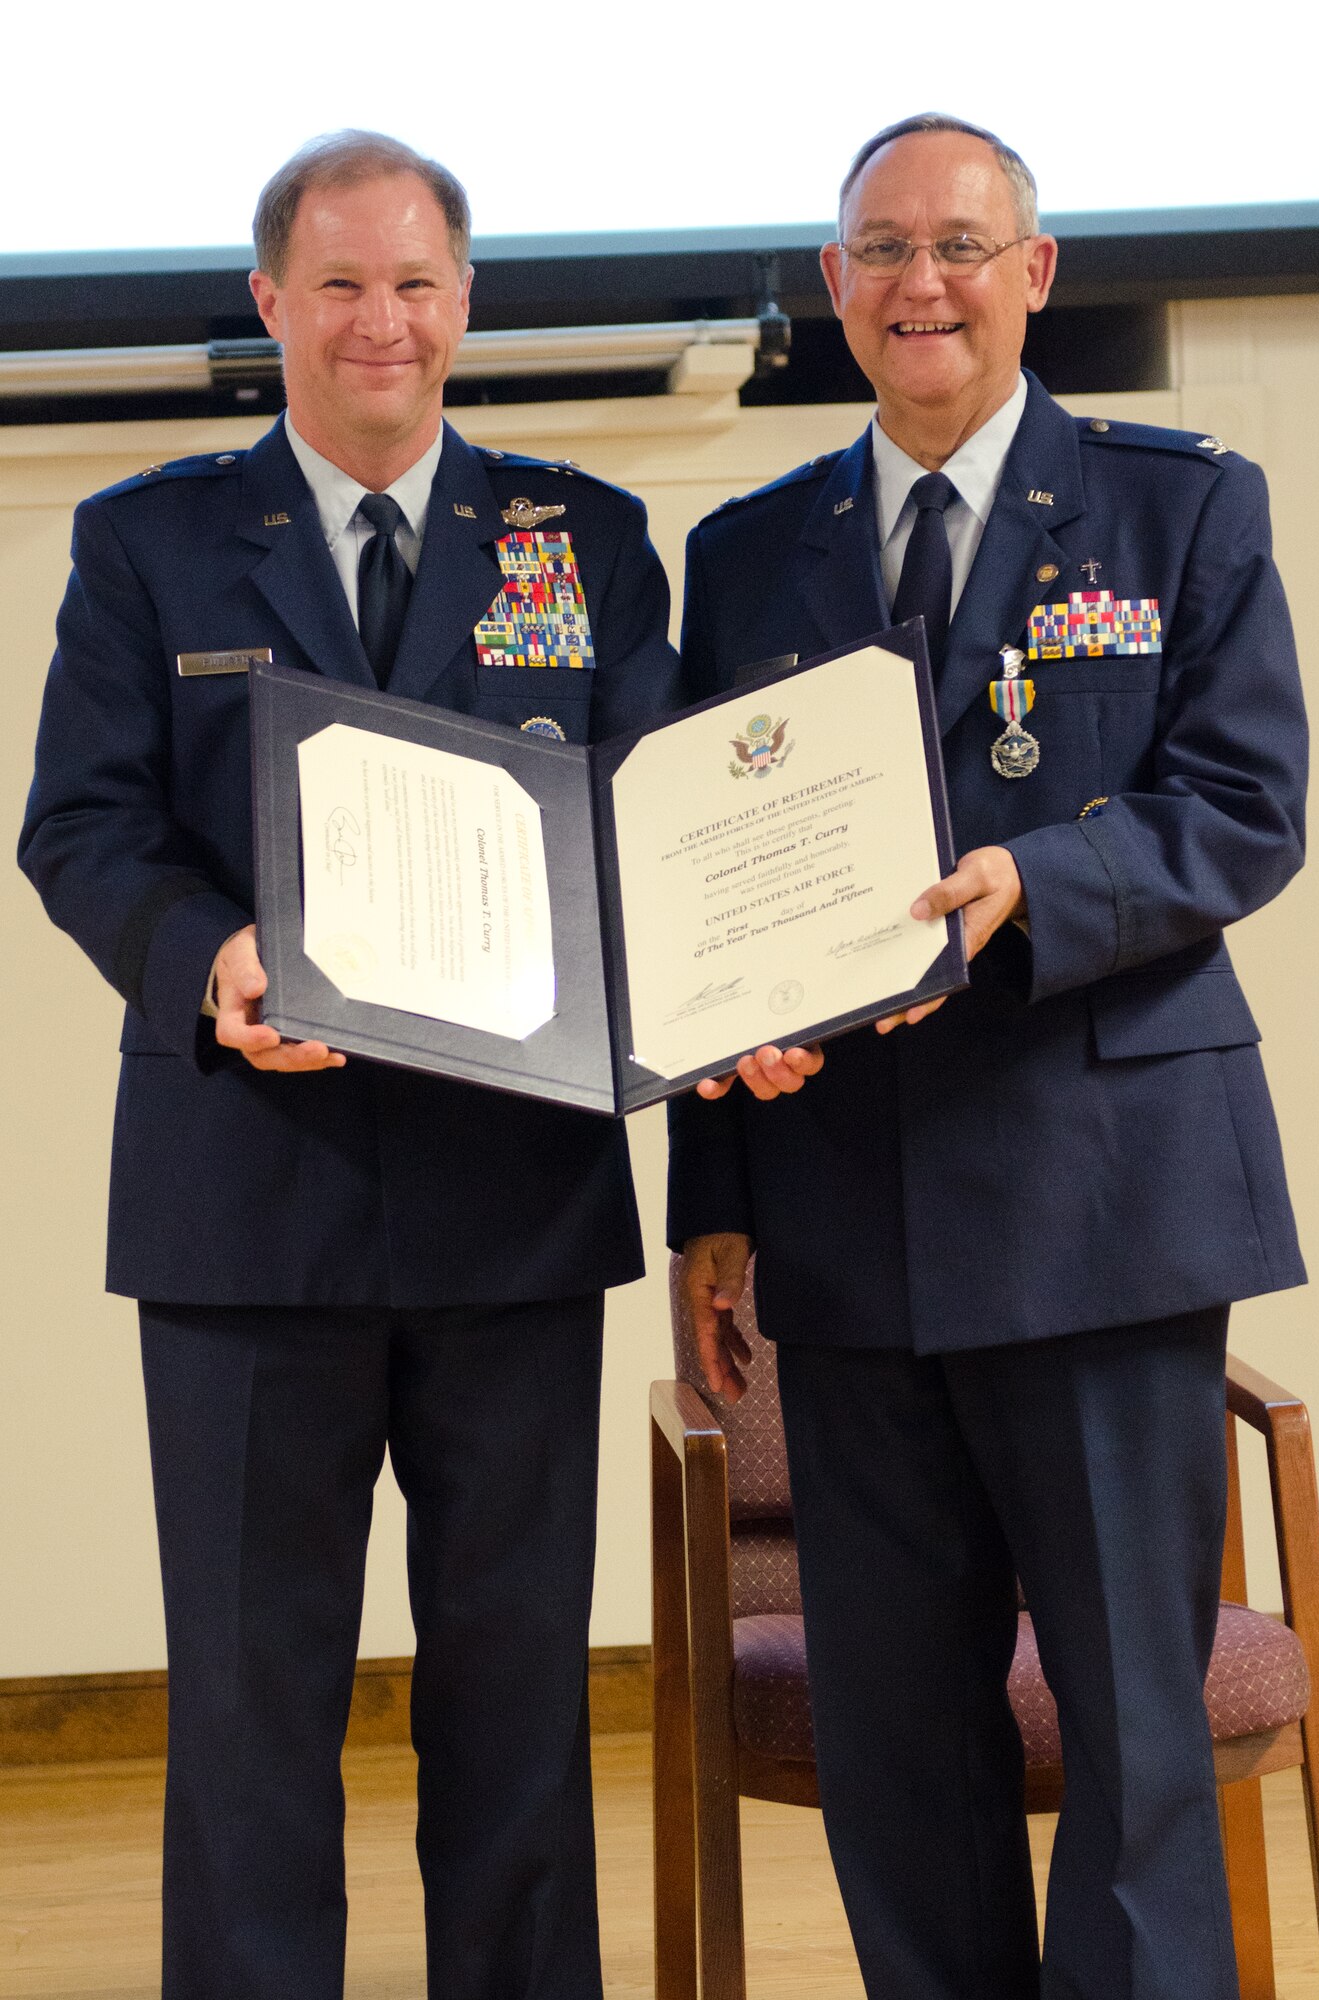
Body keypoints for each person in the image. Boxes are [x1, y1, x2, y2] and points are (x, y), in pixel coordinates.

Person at [19, 129, 680, 2000]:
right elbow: (79, 829)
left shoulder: (585, 537)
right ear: (269, 304)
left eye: (412, 284)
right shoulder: (148, 536)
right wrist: (212, 956)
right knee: (246, 1704)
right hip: (247, 1212)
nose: (378, 322)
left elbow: (647, 833)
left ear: (462, 304)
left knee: (517, 1699)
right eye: (338, 284)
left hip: (516, 1211)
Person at [668, 113, 1306, 1999]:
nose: (917, 281)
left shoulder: (1180, 504)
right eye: (879, 248)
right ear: (830, 287)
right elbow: (705, 907)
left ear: (1034, 274)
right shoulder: (747, 553)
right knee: (893, 1736)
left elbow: (1244, 810)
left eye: (959, 245)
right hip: (848, 1231)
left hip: (1105, 1210)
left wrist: (1031, 880)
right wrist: (716, 1214)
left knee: (1130, 1723)